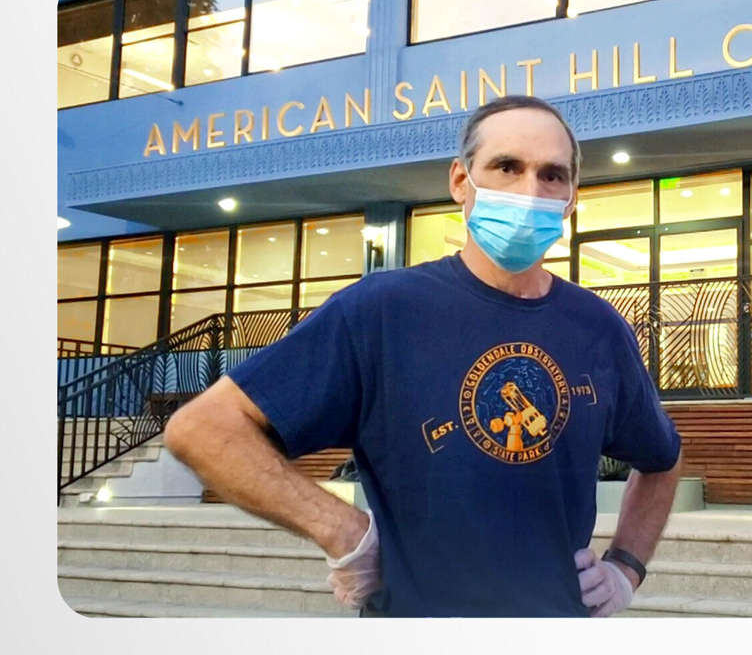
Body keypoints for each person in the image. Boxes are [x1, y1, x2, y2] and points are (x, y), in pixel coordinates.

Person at [164, 95, 684, 617]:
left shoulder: (598, 328)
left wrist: (625, 568)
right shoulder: (381, 311)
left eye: (552, 175)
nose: (530, 192)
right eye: (507, 167)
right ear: (461, 180)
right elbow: (203, 429)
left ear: (571, 198)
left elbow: (663, 458)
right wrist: (342, 530)